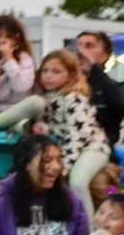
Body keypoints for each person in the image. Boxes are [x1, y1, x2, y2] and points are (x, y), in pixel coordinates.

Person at [32, 49, 112, 216]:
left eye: (56, 71)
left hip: (93, 148)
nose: (48, 76)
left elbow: (77, 136)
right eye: (45, 71)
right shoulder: (48, 99)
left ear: (71, 75)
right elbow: (55, 126)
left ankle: (88, 233)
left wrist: (65, 167)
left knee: (77, 182)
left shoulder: (75, 99)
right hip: (71, 149)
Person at [75, 31, 124, 146]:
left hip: (104, 147)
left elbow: (119, 104)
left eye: (89, 46)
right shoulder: (68, 85)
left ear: (104, 55)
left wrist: (94, 67)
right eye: (78, 46)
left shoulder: (115, 84)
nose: (81, 51)